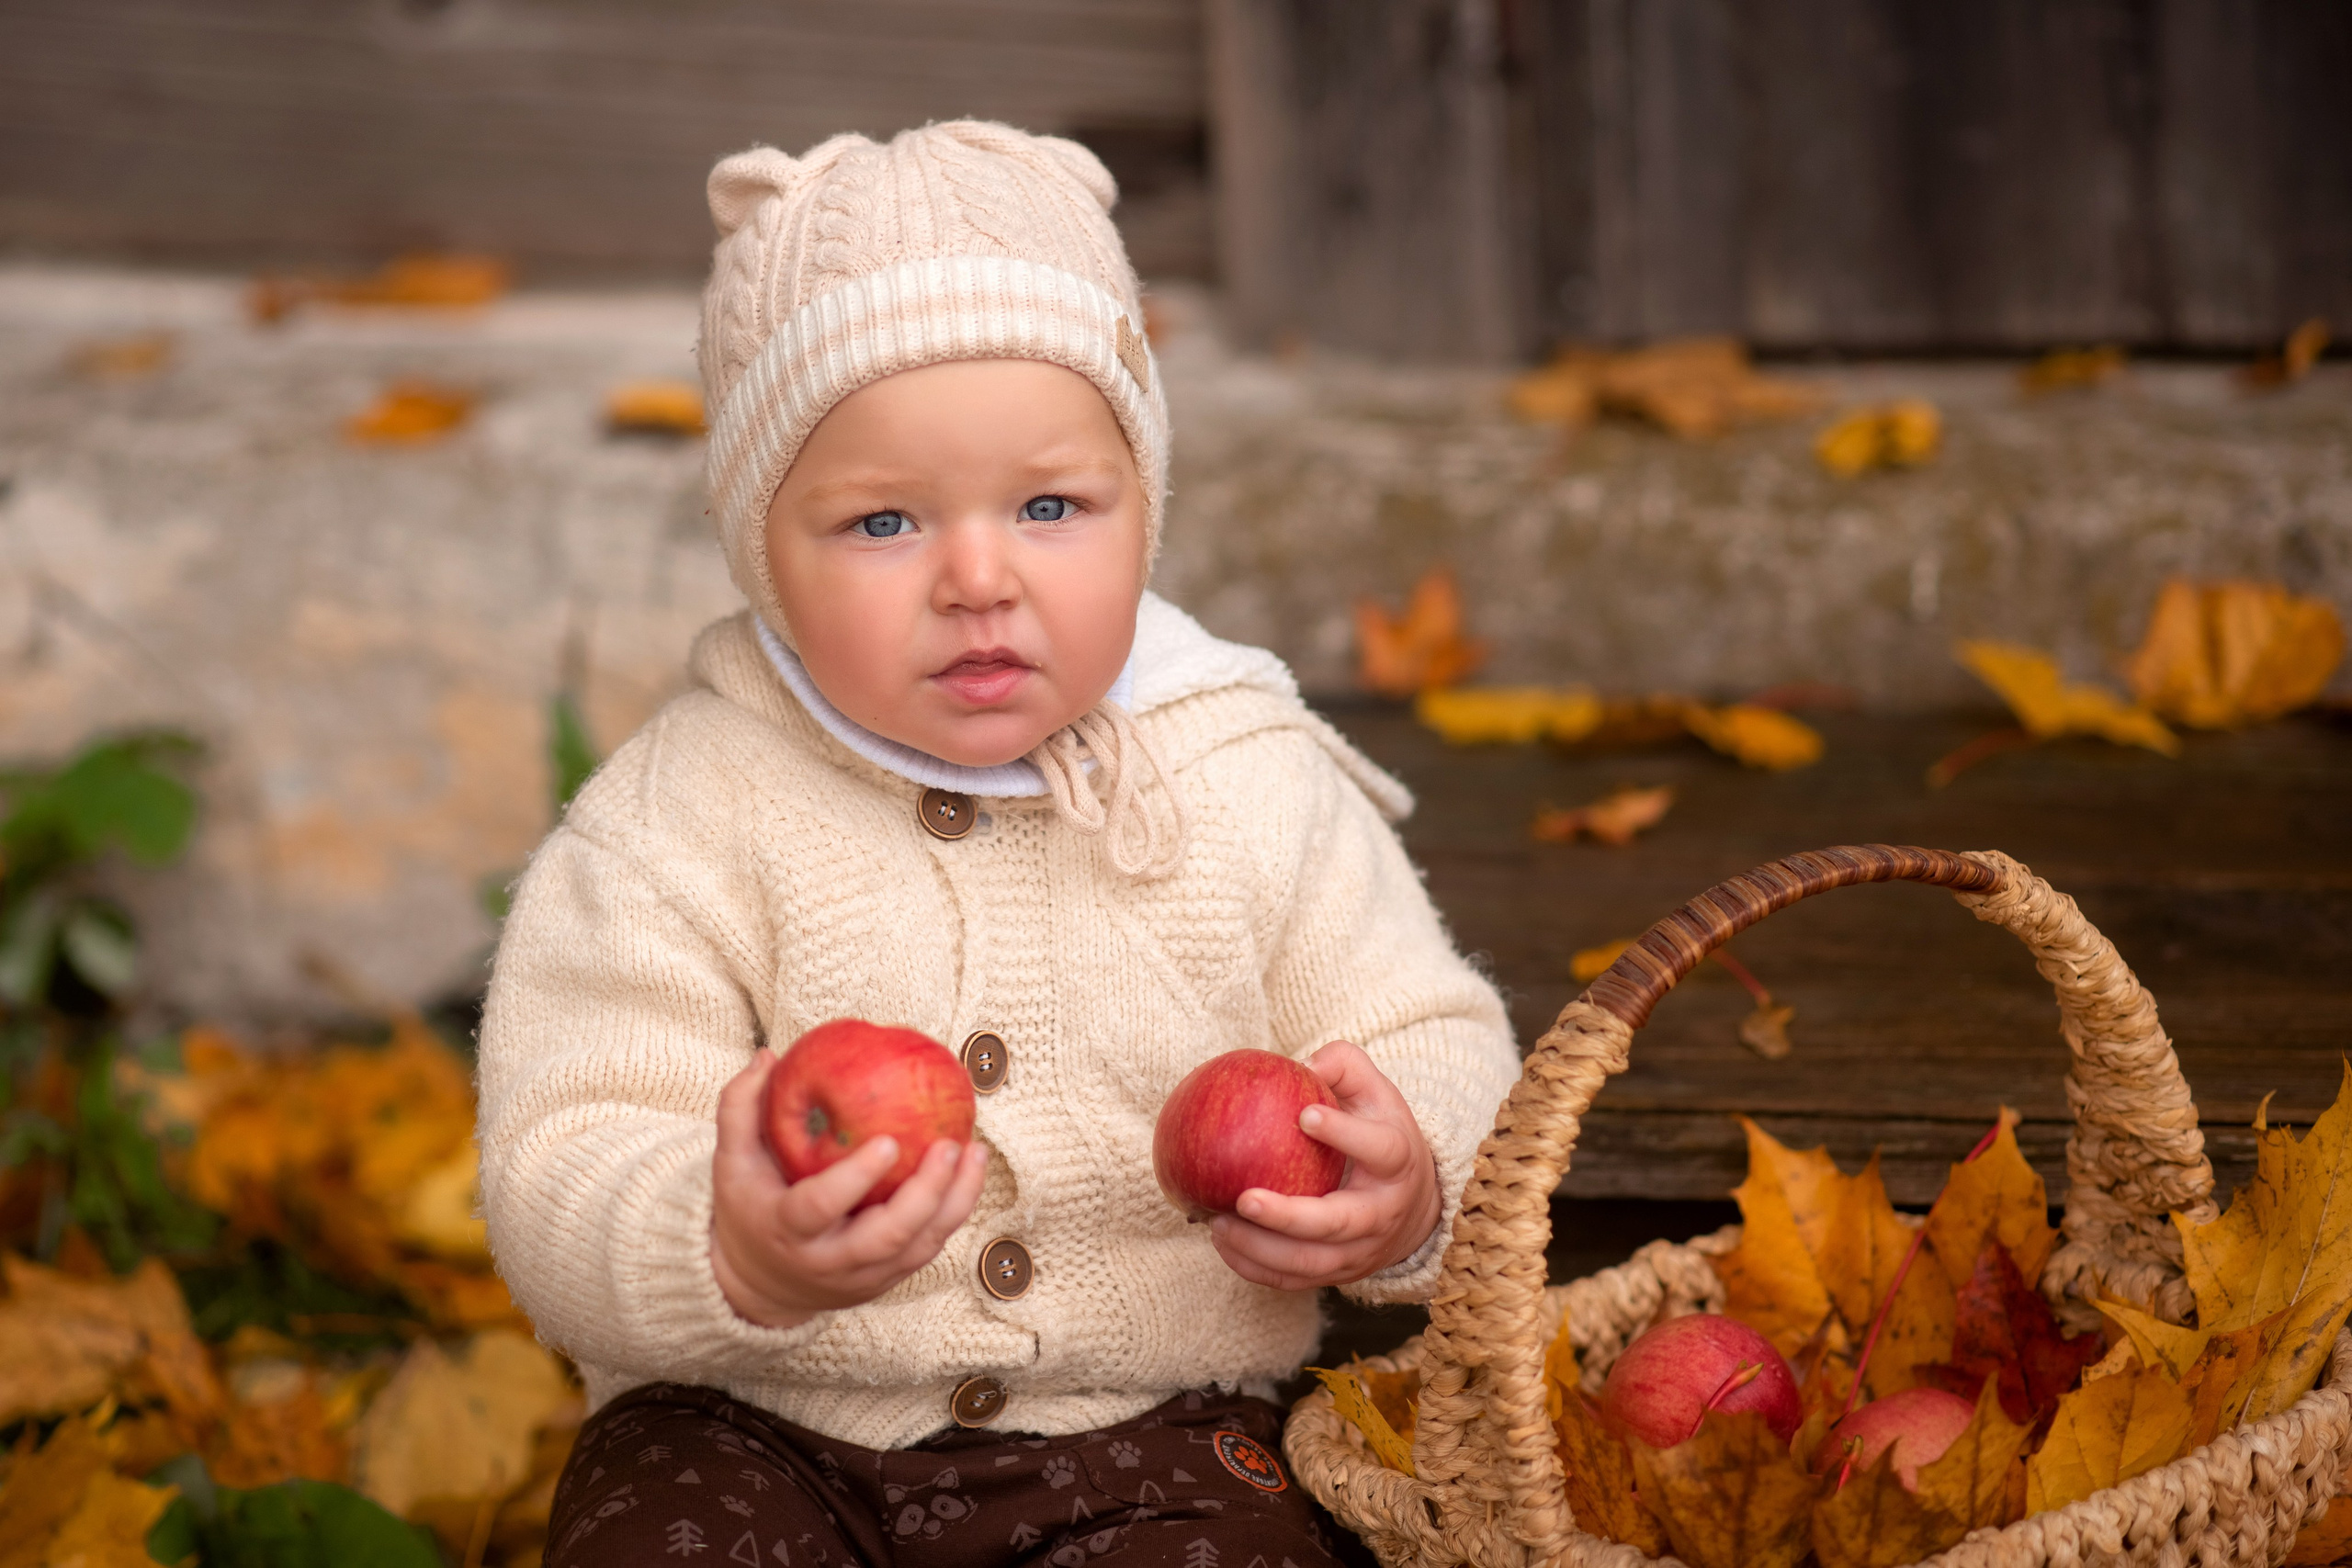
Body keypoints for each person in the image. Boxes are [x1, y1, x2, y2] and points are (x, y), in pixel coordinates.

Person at [478, 119, 1521, 1567]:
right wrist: (723, 1246)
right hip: (751, 1423)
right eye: (884, 521)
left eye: (1050, 507)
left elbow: (1431, 1031)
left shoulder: (1244, 773)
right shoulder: (682, 814)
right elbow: (558, 1148)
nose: (981, 579)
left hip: (1150, 1427)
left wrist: (1406, 1186)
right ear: (757, 545)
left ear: (1143, 507)